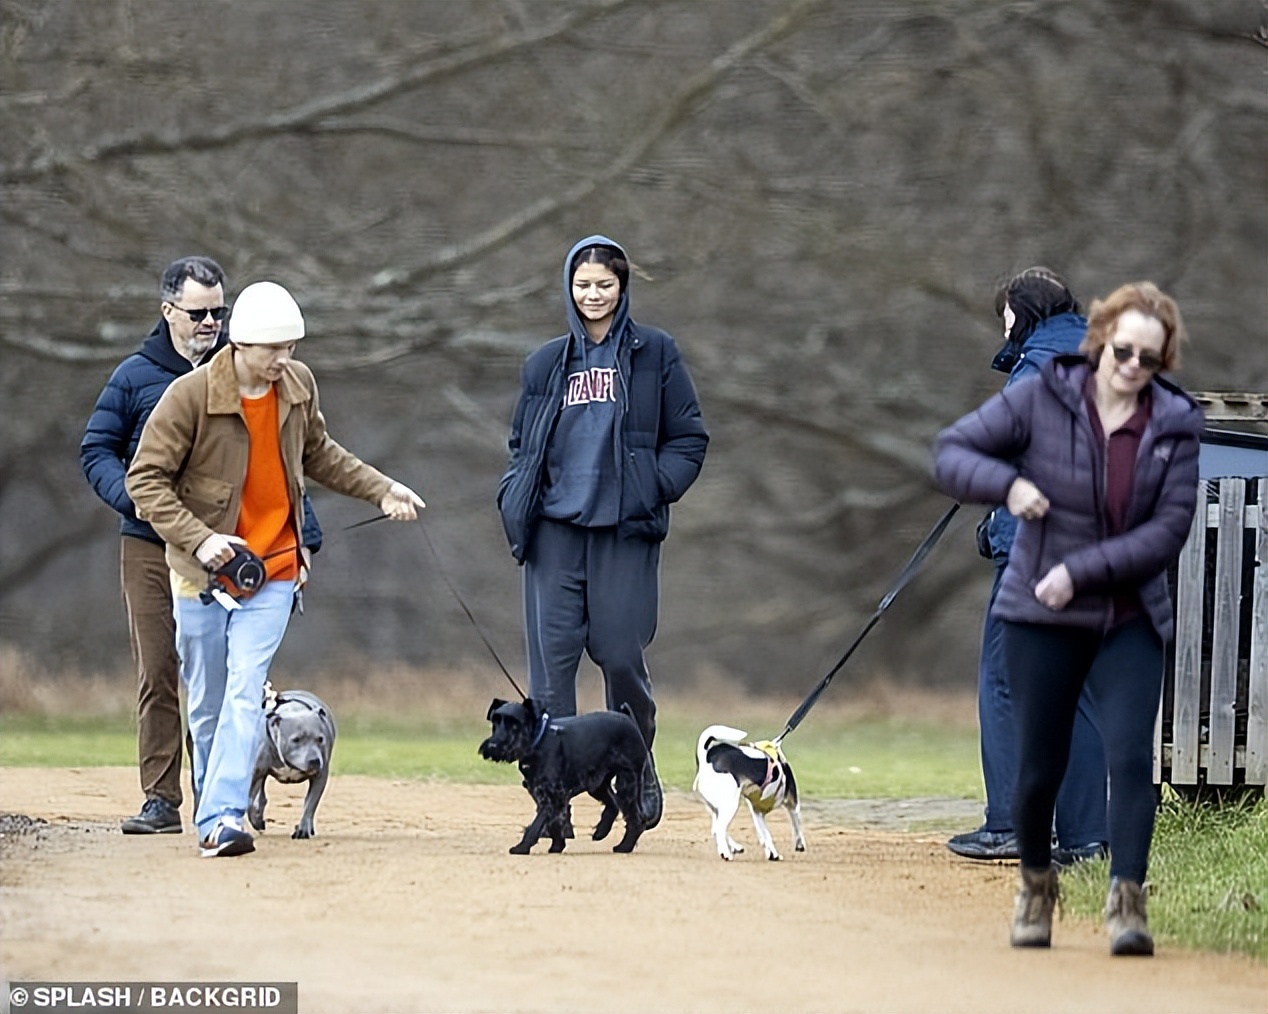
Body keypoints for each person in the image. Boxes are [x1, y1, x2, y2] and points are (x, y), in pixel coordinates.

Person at [934, 281, 1203, 955]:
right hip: (1039, 604)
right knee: (1039, 755)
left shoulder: (1174, 420)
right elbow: (954, 453)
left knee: (1131, 753)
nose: (1135, 363)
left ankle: (1127, 901)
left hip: (1129, 609)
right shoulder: (1041, 395)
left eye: (1151, 352)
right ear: (1099, 340)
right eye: (1124, 348)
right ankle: (1034, 882)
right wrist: (1009, 486)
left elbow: (1168, 528)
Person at [126, 280, 425, 857]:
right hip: (202, 575)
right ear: (240, 344)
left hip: (274, 569)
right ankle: (215, 798)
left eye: (291, 348)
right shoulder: (189, 397)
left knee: (244, 692)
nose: (284, 361)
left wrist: (382, 489)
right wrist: (201, 539)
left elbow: (320, 453)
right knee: (209, 699)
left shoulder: (297, 386)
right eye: (274, 351)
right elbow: (144, 480)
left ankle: (221, 817)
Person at [80, 256, 322, 836]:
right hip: (149, 540)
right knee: (161, 668)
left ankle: (219, 799)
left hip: (232, 550)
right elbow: (96, 451)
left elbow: (280, 468)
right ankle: (162, 797)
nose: (210, 321)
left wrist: (305, 540)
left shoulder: (250, 371)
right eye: (198, 312)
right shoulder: (136, 376)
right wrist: (137, 503)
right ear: (169, 311)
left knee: (219, 676)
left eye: (219, 311)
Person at [497, 235, 708, 826]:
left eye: (604, 284)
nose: (592, 295)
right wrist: (518, 496)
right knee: (552, 670)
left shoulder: (655, 354)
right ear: (569, 287)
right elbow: (521, 445)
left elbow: (689, 438)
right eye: (582, 284)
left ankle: (636, 768)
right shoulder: (544, 364)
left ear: (623, 286)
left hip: (624, 530)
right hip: (555, 533)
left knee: (620, 654)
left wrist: (650, 488)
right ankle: (554, 792)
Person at [947, 267, 1110, 866]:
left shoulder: (1038, 367)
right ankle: (1089, 837)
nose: (1005, 325)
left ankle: (1013, 825)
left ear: (1024, 311)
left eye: (1006, 314)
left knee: (1005, 683)